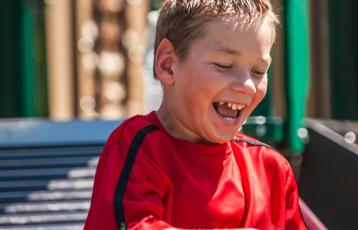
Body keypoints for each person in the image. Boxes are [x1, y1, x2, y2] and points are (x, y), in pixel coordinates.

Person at [84, 0, 306, 229]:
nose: (247, 85)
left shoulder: (271, 169)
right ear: (168, 64)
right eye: (224, 65)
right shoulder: (139, 147)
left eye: (259, 71)